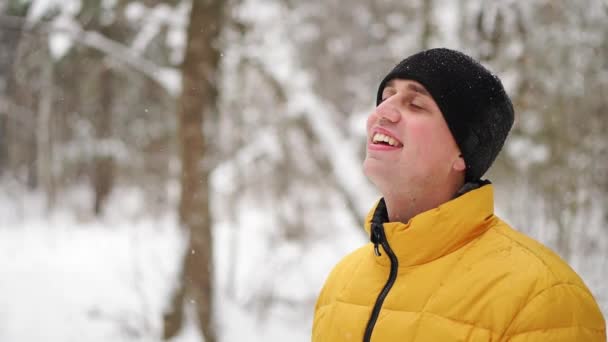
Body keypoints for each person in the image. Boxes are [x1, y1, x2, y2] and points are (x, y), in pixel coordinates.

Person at [312, 48, 606, 342]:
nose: (381, 112)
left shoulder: (542, 299)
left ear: (462, 152)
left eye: (415, 104)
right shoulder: (342, 284)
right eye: (386, 97)